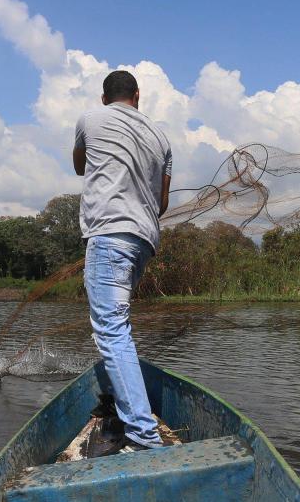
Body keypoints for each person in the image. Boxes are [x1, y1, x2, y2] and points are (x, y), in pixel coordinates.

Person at [73, 70, 172, 453]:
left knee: (112, 331)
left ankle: (144, 435)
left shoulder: (90, 118)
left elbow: (79, 166)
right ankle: (125, 402)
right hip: (143, 241)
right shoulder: (161, 137)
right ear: (137, 95)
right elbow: (162, 203)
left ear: (104, 98)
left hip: (110, 236)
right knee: (117, 328)